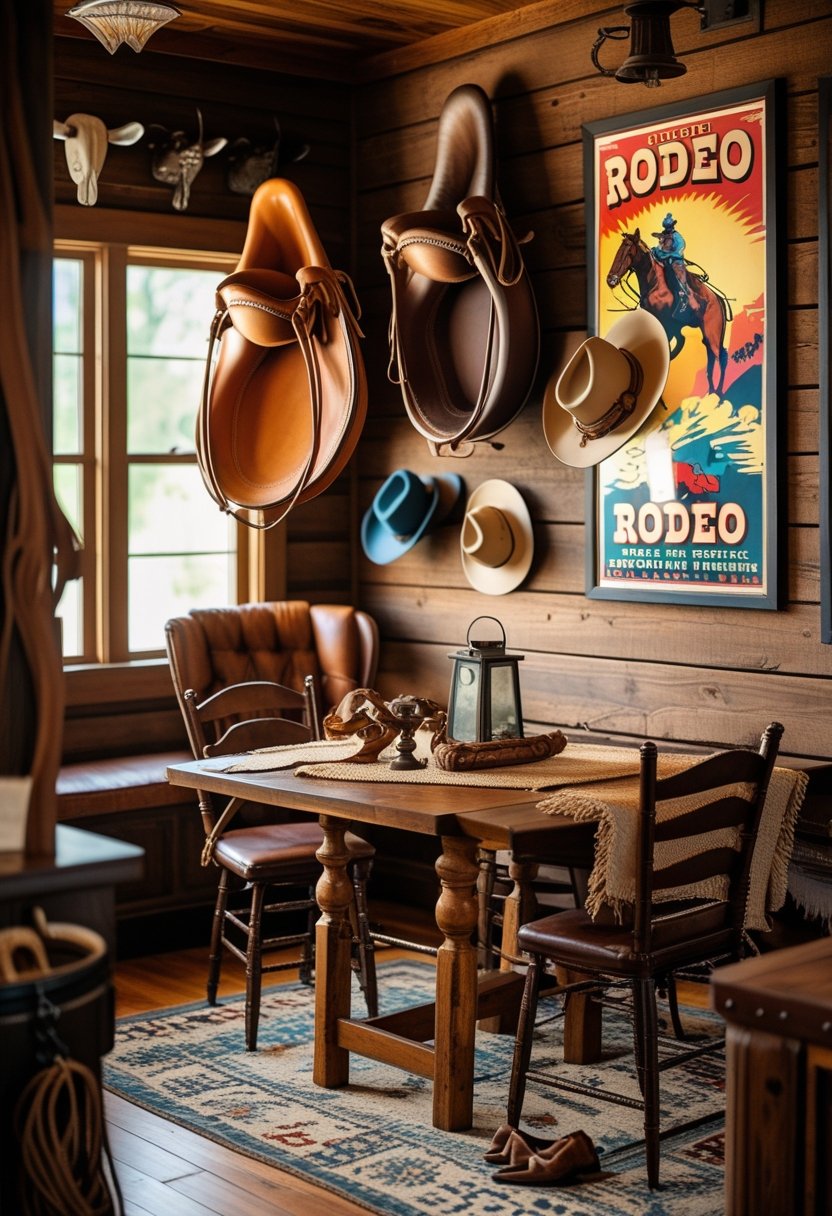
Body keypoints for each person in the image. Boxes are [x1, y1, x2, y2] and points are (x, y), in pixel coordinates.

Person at [651, 213, 688, 315]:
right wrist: (657, 250)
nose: (667, 229)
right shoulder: (663, 236)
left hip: (675, 260)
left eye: (669, 227)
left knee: (678, 272)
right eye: (666, 227)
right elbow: (660, 247)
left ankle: (683, 296)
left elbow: (681, 247)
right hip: (663, 258)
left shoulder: (677, 236)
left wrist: (671, 255)